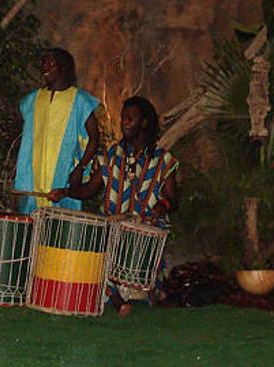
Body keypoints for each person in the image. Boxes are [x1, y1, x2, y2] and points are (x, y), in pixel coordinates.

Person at [52, 96, 179, 317]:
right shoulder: (111, 155)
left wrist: (162, 206)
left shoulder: (162, 160)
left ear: (144, 123)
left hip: (145, 229)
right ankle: (118, 298)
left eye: (130, 119)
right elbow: (90, 189)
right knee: (95, 247)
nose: (124, 123)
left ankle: (127, 293)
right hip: (113, 228)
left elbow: (173, 198)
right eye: (123, 118)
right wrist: (66, 192)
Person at [13, 48, 100, 214]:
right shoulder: (33, 99)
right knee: (32, 230)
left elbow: (94, 138)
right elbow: (23, 135)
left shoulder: (79, 100)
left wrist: (80, 167)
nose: (45, 67)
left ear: (64, 68)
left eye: (51, 63)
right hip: (33, 180)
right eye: (43, 63)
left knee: (58, 232)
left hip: (64, 179)